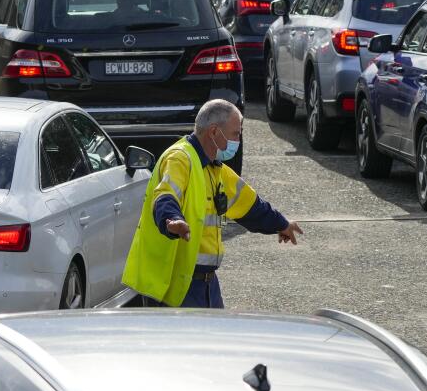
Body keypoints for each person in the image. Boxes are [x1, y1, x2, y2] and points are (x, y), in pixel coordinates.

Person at [122, 99, 303, 308]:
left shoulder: (215, 169)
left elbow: (250, 205)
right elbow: (165, 195)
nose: (238, 140)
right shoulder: (180, 159)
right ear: (214, 132)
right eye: (236, 134)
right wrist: (172, 220)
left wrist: (281, 224)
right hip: (175, 283)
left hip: (206, 284)